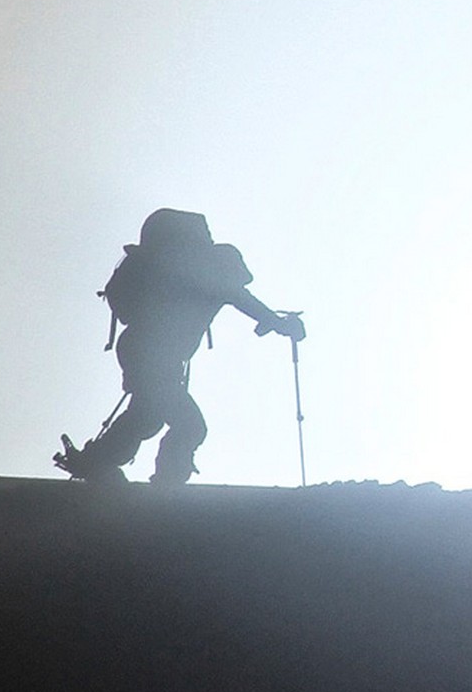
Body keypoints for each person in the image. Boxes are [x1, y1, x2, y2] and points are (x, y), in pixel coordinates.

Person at [54, 208, 303, 486]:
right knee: (189, 425)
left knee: (147, 416)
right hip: (151, 352)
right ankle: (166, 483)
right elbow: (240, 297)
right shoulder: (208, 269)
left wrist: (273, 321)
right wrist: (278, 323)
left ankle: (97, 463)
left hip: (143, 349)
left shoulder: (184, 270)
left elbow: (239, 297)